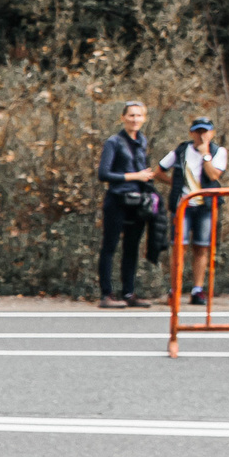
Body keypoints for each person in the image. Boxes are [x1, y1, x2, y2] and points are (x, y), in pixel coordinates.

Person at [96, 101, 163, 307]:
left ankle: (128, 293)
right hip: (117, 200)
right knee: (110, 246)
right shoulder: (114, 142)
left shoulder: (142, 141)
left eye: (138, 116)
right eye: (131, 115)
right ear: (123, 118)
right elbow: (104, 173)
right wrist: (135, 176)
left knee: (132, 248)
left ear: (144, 118)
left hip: (137, 202)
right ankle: (106, 294)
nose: (135, 119)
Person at [157, 118, 227, 305]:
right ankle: (175, 289)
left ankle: (197, 289)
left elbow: (214, 175)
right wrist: (176, 184)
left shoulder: (218, 152)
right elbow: (159, 170)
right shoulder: (181, 151)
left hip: (205, 206)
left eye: (205, 132)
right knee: (179, 247)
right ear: (191, 133)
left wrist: (205, 156)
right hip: (183, 205)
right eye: (198, 131)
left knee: (202, 247)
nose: (201, 135)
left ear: (212, 133)